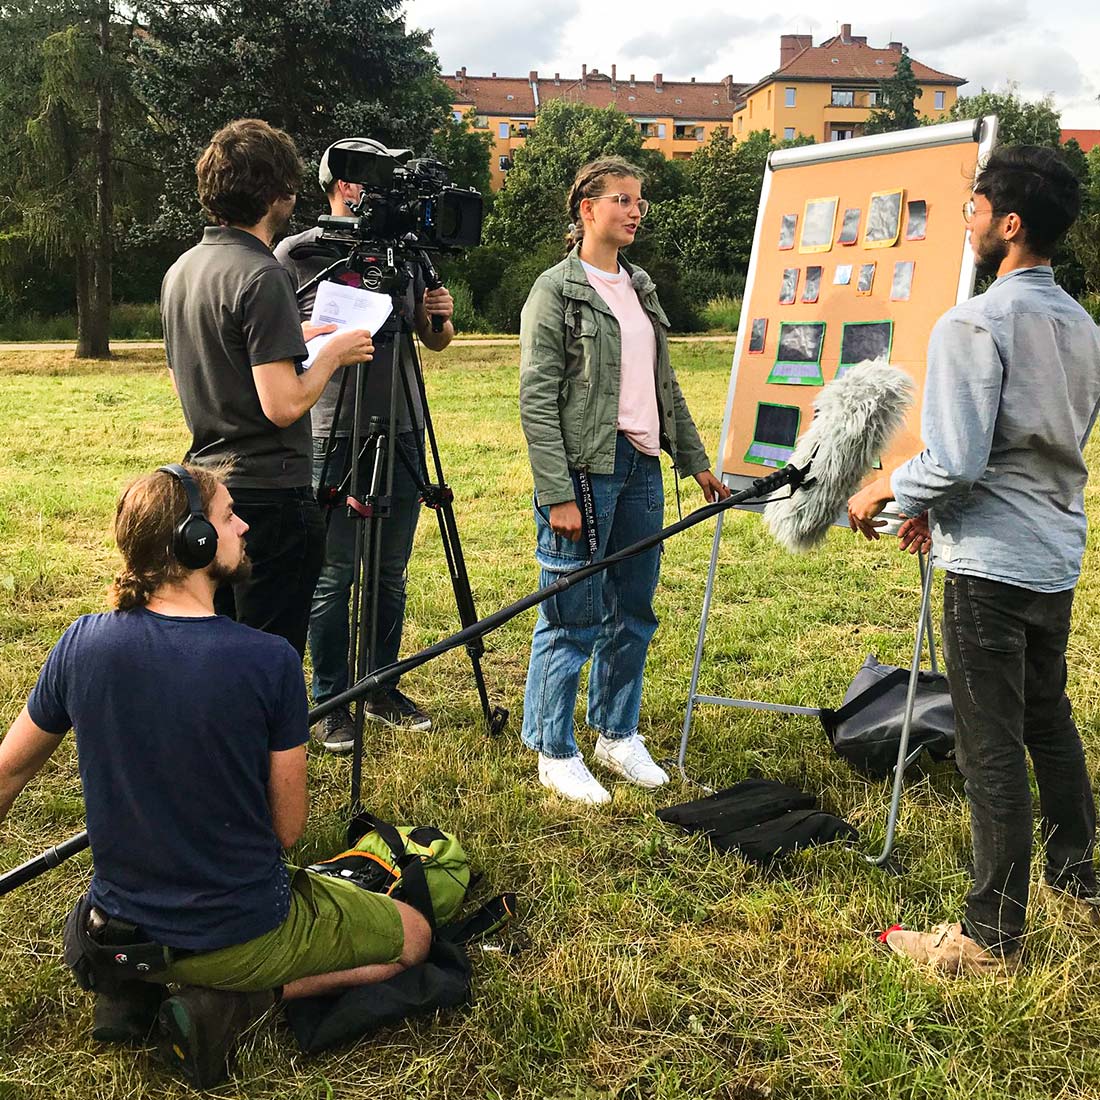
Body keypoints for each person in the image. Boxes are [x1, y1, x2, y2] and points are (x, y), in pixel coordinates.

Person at [0, 465, 431, 1088]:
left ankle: (134, 984)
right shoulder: (271, 662)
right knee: (412, 938)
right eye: (229, 516)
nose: (244, 524)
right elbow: (286, 831)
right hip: (236, 928)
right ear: (195, 542)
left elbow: (8, 771)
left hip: (116, 921)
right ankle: (244, 998)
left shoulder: (81, 643)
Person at [847, 145, 1100, 974]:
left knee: (988, 746)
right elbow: (1030, 452)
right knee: (1046, 717)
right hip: (1053, 554)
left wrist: (889, 487)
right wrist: (934, 508)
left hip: (991, 569)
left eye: (974, 210)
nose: (967, 222)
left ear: (1010, 224)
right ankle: (1077, 872)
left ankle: (990, 937)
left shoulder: (974, 322)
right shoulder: (1081, 325)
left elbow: (956, 457)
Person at [518, 156, 729, 805]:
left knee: (633, 609)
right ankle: (554, 747)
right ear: (587, 209)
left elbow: (663, 385)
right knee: (570, 611)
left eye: (639, 201)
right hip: (586, 469)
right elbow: (537, 398)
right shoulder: (556, 291)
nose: (635, 210)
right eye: (622, 199)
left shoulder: (639, 285)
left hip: (640, 467)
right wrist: (556, 492)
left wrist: (693, 460)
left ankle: (616, 733)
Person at [161, 118, 374, 657]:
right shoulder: (262, 274)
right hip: (270, 498)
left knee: (216, 648)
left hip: (205, 489)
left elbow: (210, 363)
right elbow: (282, 406)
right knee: (267, 659)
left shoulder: (184, 269)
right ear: (277, 194)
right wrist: (332, 355)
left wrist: (288, 341)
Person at [275, 138, 455, 752]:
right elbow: (279, 338)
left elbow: (436, 341)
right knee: (335, 571)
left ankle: (379, 684)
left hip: (401, 422)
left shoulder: (408, 254)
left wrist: (441, 315)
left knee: (389, 570)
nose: (376, 187)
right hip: (332, 426)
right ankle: (331, 698)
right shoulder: (297, 255)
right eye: (365, 176)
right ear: (338, 184)